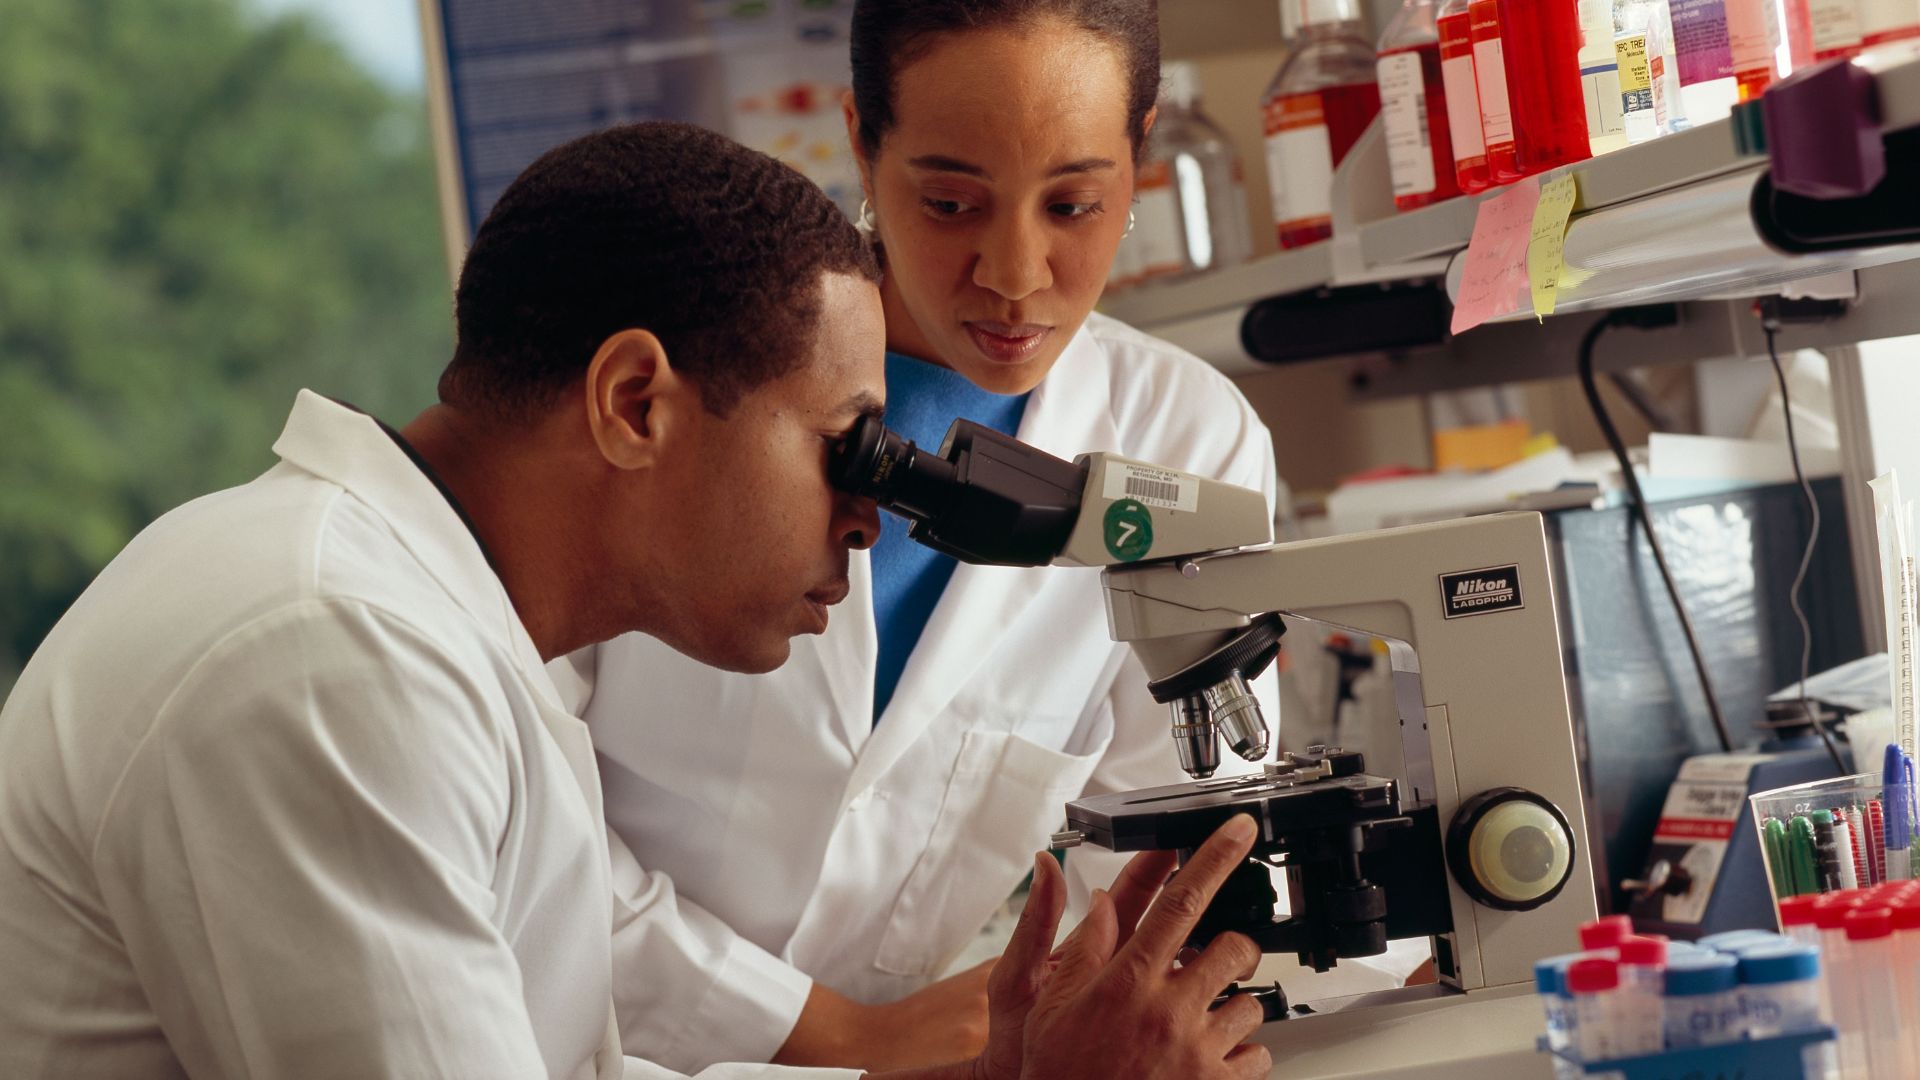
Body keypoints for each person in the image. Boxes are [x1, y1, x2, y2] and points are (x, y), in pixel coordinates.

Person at [0, 121, 1272, 1080]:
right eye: (846, 446)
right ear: (634, 403)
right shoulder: (333, 658)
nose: (869, 518)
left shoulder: (449, 639)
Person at [578, 1, 1287, 1073]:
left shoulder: (1186, 441)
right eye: (951, 202)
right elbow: (521, 817)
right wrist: (843, 1037)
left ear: (1141, 154)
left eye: (1076, 202)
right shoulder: (674, 397)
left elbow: (1176, 858)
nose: (1014, 271)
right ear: (863, 142)